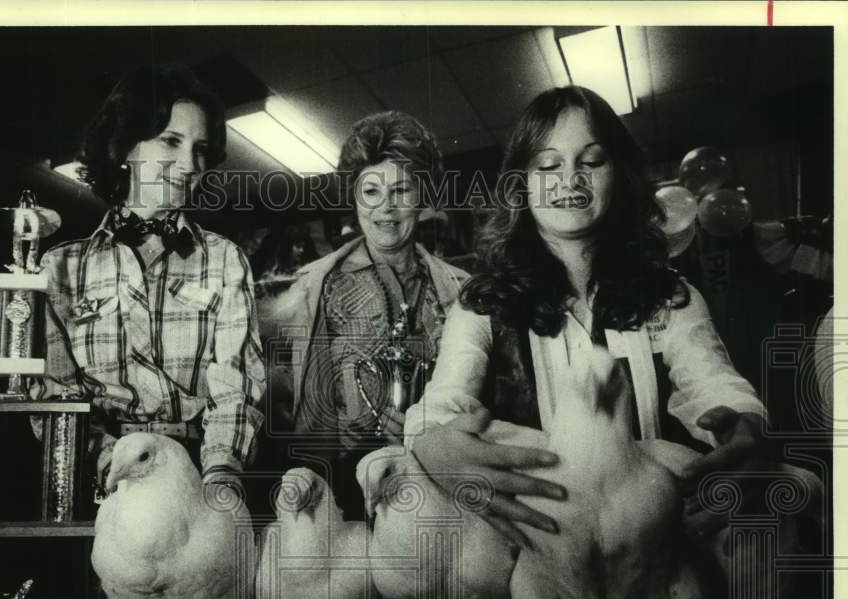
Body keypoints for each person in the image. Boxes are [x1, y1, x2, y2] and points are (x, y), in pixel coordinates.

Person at [406, 85, 768, 548]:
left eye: (591, 161)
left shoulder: (670, 295)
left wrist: (743, 426)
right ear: (521, 182)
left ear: (619, 174)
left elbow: (715, 384)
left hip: (655, 536)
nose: (569, 180)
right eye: (548, 165)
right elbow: (441, 404)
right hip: (540, 548)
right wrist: (429, 444)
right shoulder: (481, 303)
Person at [32, 65, 265, 495]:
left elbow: (237, 387)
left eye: (200, 149)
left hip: (198, 481)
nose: (188, 164)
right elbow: (54, 395)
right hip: (104, 485)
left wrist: (219, 478)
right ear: (126, 147)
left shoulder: (225, 260)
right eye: (171, 141)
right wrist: (111, 465)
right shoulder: (60, 268)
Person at [277, 111, 477, 519]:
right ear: (354, 198)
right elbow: (307, 422)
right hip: (348, 496)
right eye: (371, 191)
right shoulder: (313, 289)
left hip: (442, 486)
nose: (386, 207)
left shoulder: (459, 289)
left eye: (402, 190)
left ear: (423, 197)